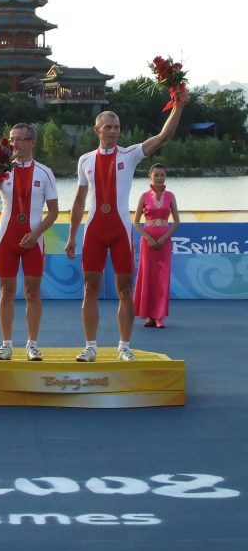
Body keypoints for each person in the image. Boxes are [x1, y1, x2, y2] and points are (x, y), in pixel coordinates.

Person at [65, 88, 190, 362]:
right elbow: (79, 200)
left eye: (117, 127)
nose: (113, 131)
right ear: (97, 130)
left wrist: (178, 107)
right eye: (108, 127)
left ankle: (124, 346)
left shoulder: (130, 154)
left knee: (125, 290)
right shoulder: (85, 160)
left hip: (120, 231)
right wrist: (72, 236)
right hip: (94, 231)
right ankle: (90, 346)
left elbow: (163, 136)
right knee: (90, 289)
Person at [0, 124, 58, 361]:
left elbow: (54, 212)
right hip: (7, 239)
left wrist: (35, 234)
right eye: (12, 139)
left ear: (32, 142)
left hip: (33, 241)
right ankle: (6, 344)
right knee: (6, 292)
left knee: (32, 293)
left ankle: (32, 345)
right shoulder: (2, 170)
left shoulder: (45, 173)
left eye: (20, 139)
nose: (15, 144)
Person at [132, 163, 180, 329]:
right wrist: (148, 238)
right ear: (150, 176)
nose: (160, 178)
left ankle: (159, 316)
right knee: (147, 277)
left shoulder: (170, 196)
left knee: (162, 277)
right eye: (156, 175)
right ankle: (149, 316)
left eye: (162, 175)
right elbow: (136, 222)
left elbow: (177, 222)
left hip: (164, 241)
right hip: (148, 242)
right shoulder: (144, 196)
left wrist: (164, 238)